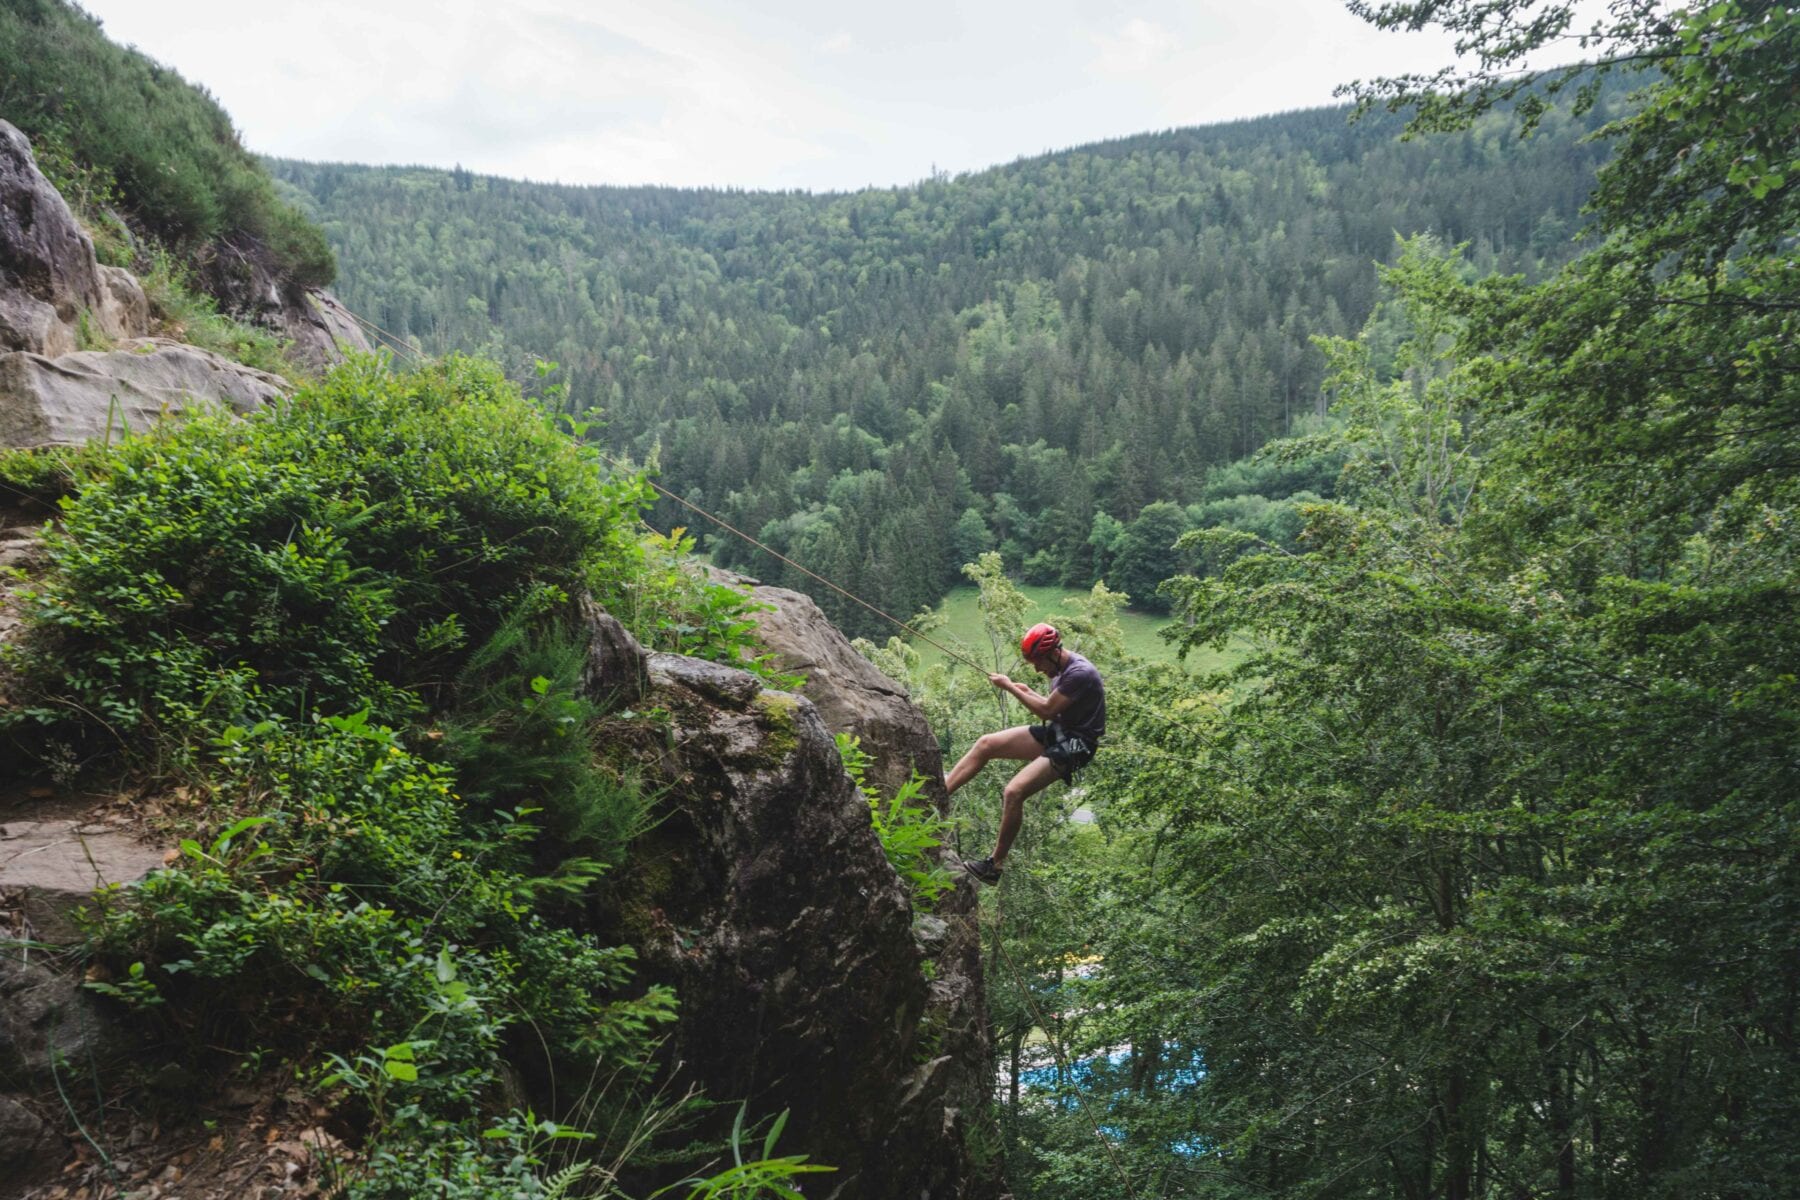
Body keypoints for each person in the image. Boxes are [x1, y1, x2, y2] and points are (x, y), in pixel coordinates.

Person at [946, 622, 1105, 884]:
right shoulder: (1060, 669)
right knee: (987, 744)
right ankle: (941, 793)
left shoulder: (1079, 673)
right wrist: (1027, 691)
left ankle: (994, 866)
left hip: (1079, 743)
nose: (1037, 668)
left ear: (1054, 652)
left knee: (1013, 791)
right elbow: (1052, 706)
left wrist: (1009, 687)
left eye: (1039, 662)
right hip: (1060, 731)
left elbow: (1046, 711)